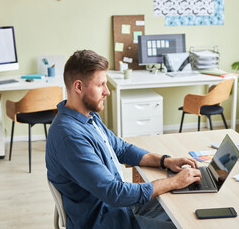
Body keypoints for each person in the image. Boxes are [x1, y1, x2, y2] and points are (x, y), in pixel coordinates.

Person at [46, 50, 201, 229]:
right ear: (79, 87)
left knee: (184, 204)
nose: (107, 92)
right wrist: (173, 181)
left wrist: (165, 161)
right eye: (100, 85)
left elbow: (121, 149)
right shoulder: (70, 137)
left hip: (119, 208)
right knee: (185, 221)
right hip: (107, 220)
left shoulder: (87, 116)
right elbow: (114, 193)